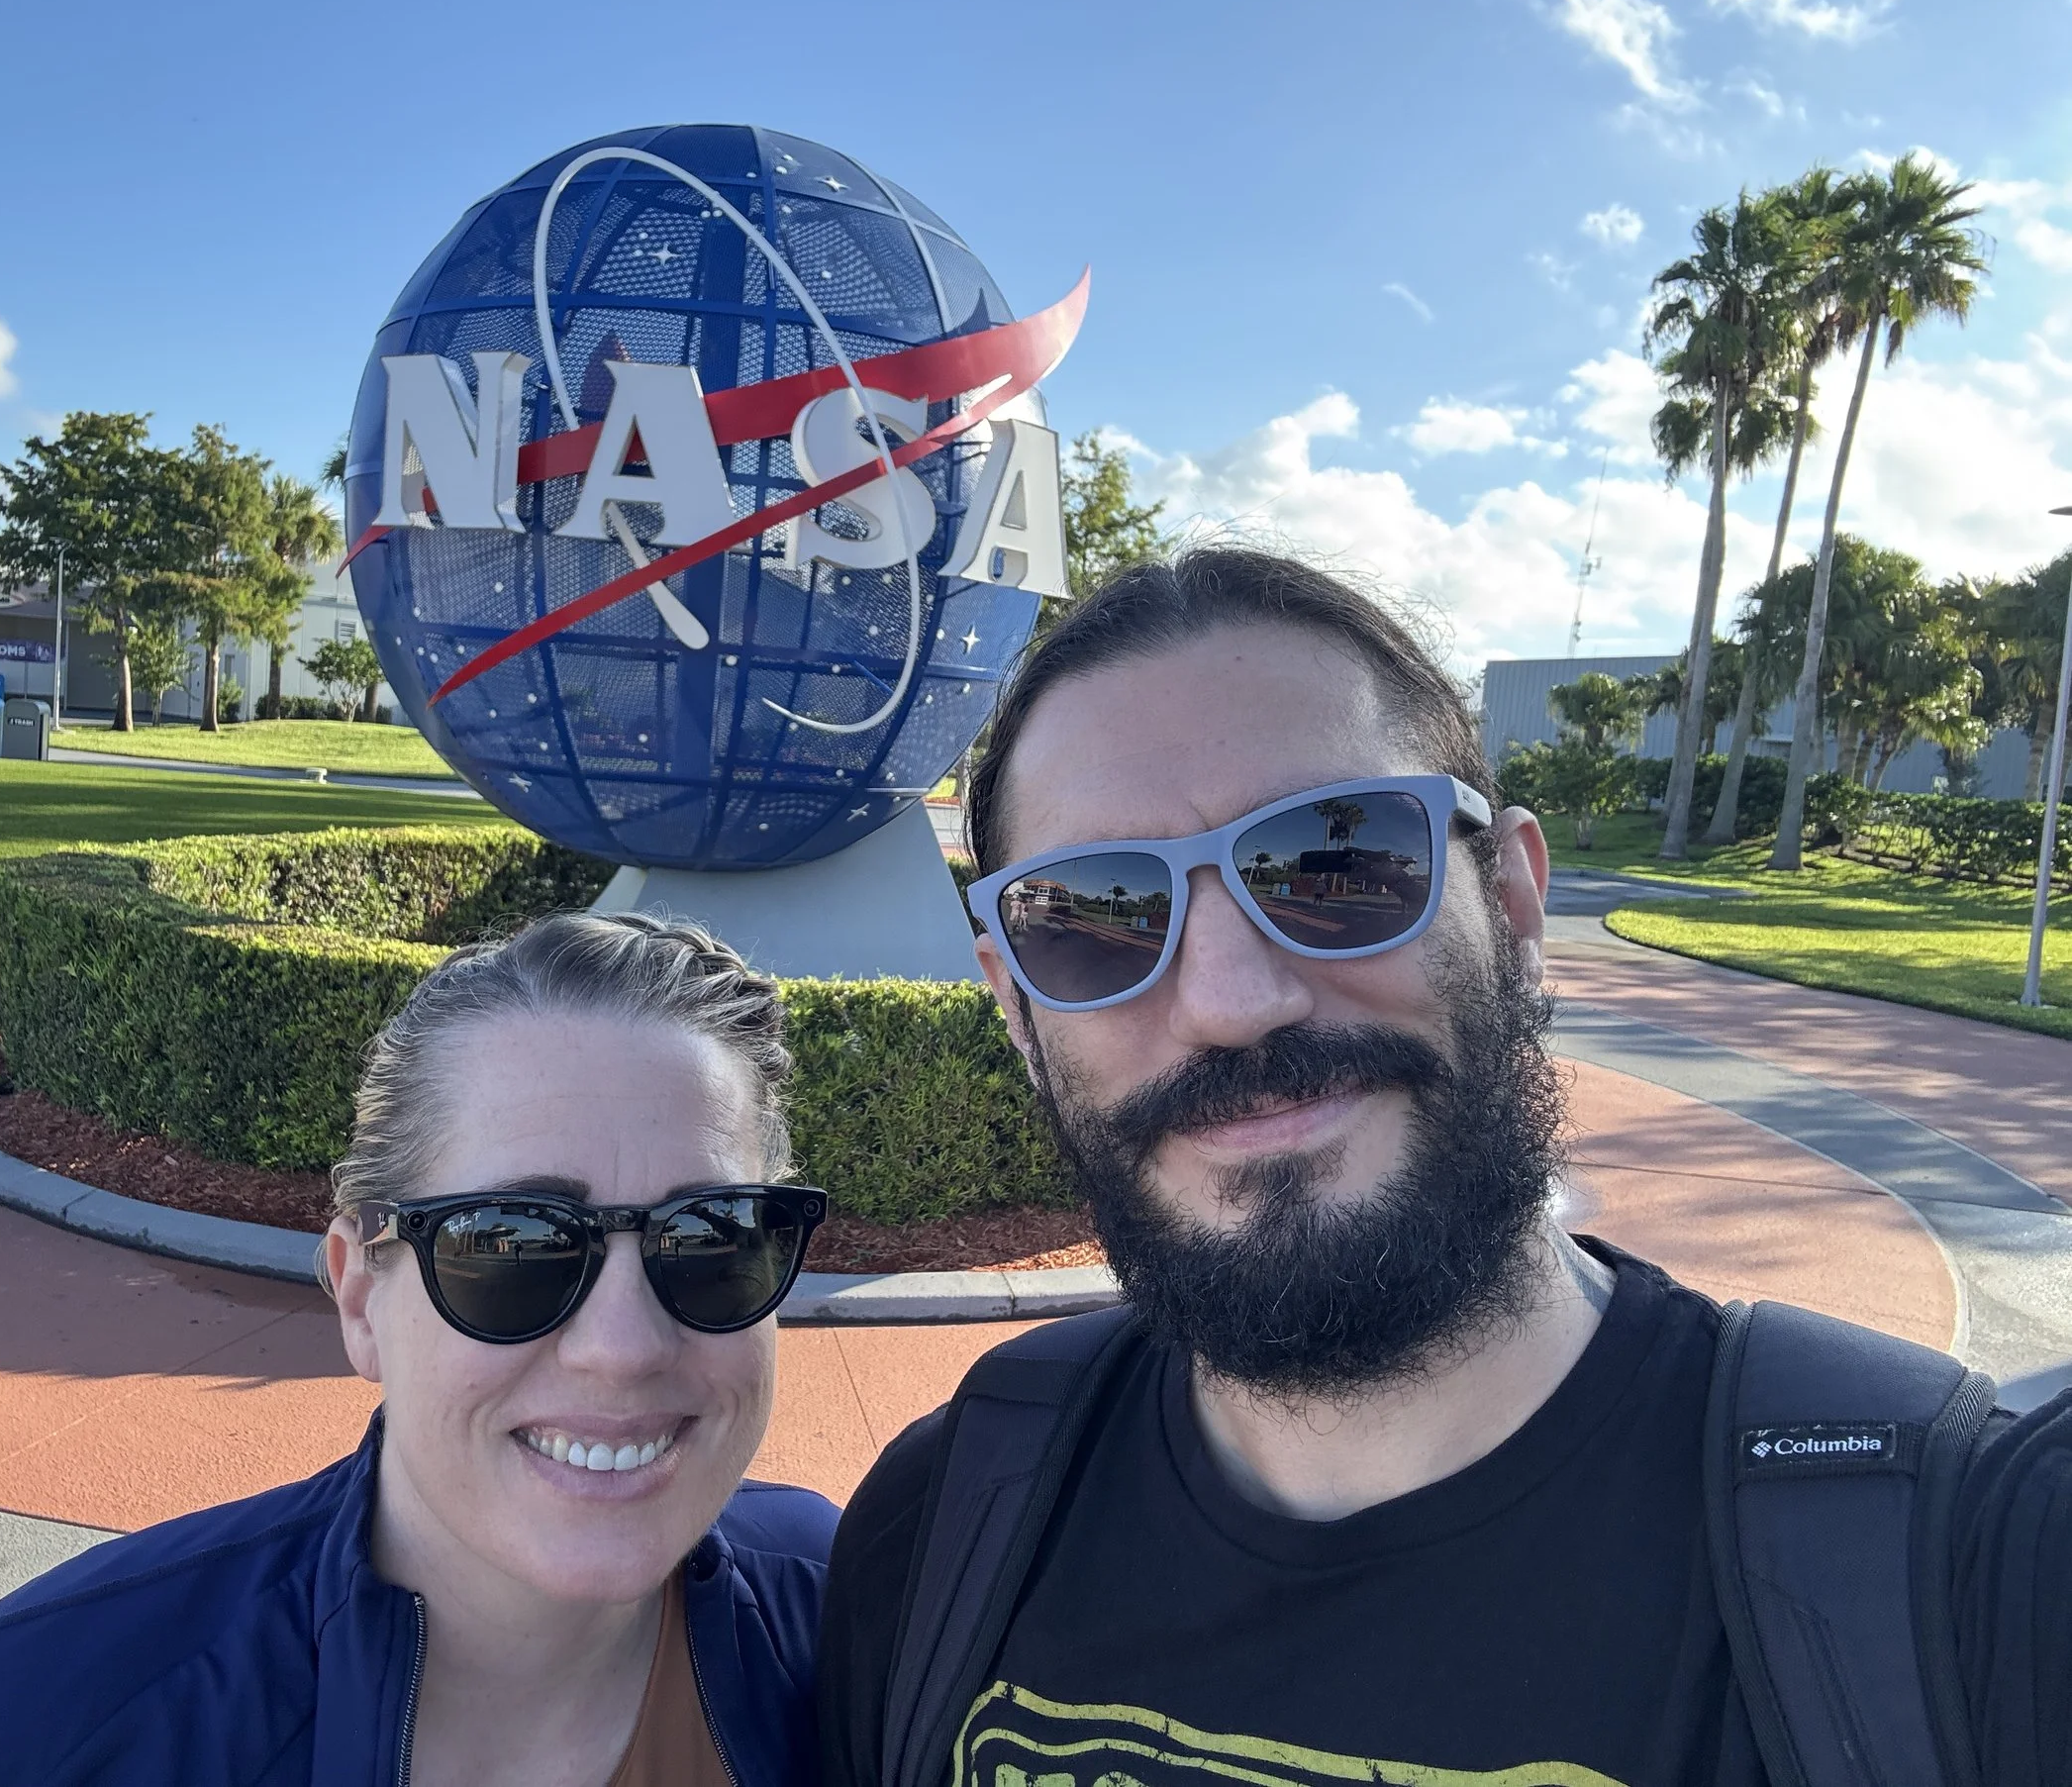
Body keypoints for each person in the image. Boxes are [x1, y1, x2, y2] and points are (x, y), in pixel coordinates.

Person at [820, 546, 2072, 1787]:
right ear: (1015, 1011)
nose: (1231, 1001)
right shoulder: (942, 1519)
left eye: (1335, 857)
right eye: (1092, 916)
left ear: (1516, 907)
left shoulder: (1967, 1561)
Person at [0, 911, 837, 1787]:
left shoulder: (859, 1621)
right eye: (510, 1244)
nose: (622, 1347)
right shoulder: (17, 1732)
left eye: (712, 1238)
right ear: (358, 1297)